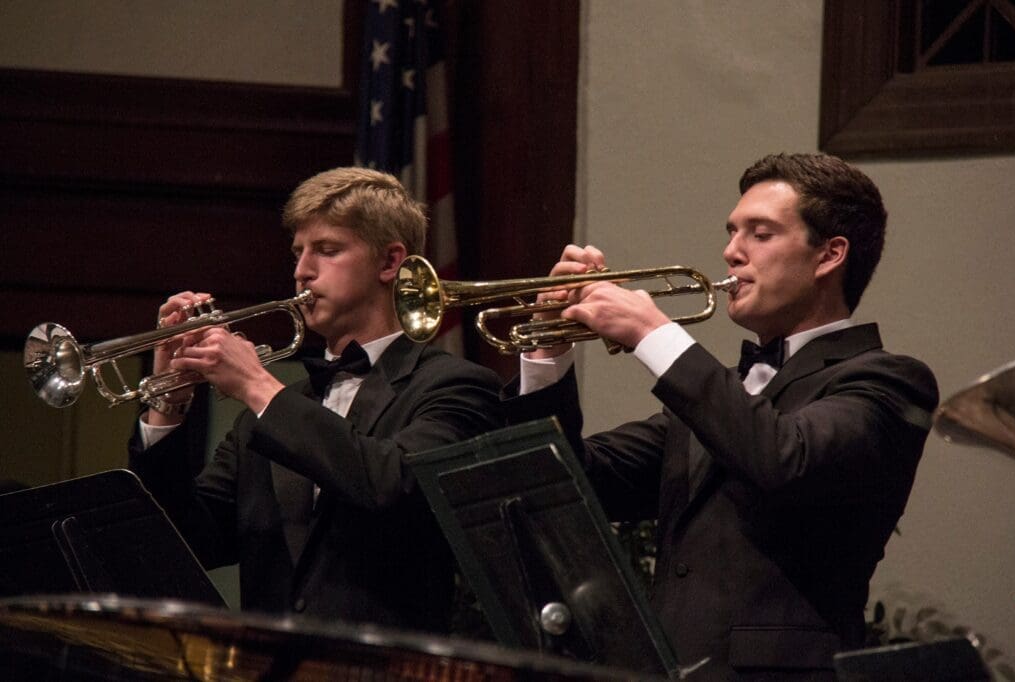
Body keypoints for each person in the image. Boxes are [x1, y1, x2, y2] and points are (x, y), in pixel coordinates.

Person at [504, 153, 938, 680]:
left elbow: (785, 458)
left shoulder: (886, 381)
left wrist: (653, 335)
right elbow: (574, 482)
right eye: (732, 232)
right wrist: (547, 348)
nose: (731, 252)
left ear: (829, 255)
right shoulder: (718, 401)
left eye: (759, 234)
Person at [129, 167, 503, 633]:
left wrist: (257, 385)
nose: (302, 270)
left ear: (390, 263)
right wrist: (168, 404)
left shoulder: (456, 386)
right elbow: (185, 540)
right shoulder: (265, 420)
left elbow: (393, 483)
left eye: (327, 250)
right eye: (298, 252)